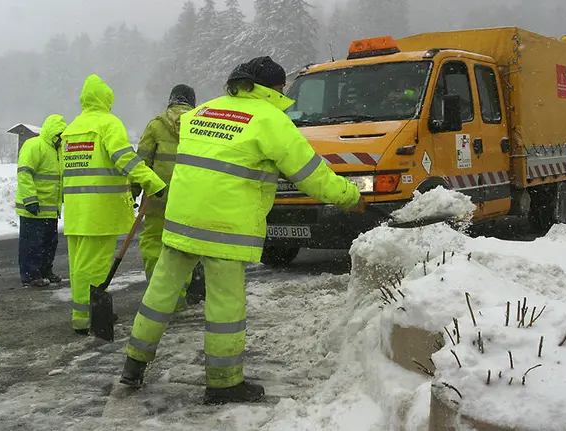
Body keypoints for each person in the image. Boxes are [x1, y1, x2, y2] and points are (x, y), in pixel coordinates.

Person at [120, 56, 367, 404]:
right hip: (225, 226)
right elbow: (311, 174)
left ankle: (133, 365)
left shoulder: (202, 112)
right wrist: (350, 196)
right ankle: (223, 384)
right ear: (274, 88)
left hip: (181, 220)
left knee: (159, 295)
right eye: (282, 87)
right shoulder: (271, 120)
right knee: (224, 308)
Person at [61, 74, 167, 335]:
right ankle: (91, 318)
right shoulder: (108, 123)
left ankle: (81, 315)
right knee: (95, 266)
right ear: (107, 98)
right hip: (100, 210)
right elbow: (124, 158)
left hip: (76, 209)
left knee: (79, 265)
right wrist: (151, 181)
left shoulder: (72, 128)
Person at [135, 84, 203, 311]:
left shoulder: (156, 125)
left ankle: (157, 292)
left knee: (154, 242)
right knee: (181, 245)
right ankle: (177, 295)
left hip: (158, 196)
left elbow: (141, 162)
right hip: (189, 197)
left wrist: (135, 188)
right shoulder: (201, 124)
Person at [15, 114, 68, 288]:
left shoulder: (57, 151)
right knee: (32, 244)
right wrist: (30, 200)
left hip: (50, 209)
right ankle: (30, 275)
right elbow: (24, 173)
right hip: (33, 207)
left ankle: (45, 271)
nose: (61, 138)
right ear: (52, 132)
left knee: (48, 243)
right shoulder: (35, 145)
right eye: (59, 134)